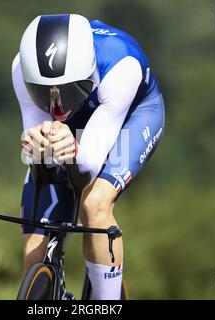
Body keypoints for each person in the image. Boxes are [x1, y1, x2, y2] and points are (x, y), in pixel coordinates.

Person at [12, 14, 165, 300]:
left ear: (89, 71)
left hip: (129, 115)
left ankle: (106, 304)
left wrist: (70, 148)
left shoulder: (122, 68)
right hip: (79, 123)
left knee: (94, 205)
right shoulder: (21, 69)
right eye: (44, 93)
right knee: (34, 251)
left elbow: (88, 168)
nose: (56, 106)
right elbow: (40, 165)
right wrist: (36, 148)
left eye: (66, 91)